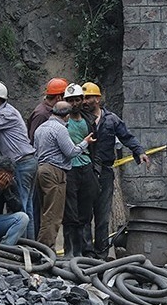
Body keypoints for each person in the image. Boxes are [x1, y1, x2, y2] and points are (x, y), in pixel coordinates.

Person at [81, 82, 148, 259]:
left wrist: (139, 151)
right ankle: (86, 253)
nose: (85, 101)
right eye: (84, 98)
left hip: (104, 171)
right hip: (85, 172)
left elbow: (127, 136)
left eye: (89, 97)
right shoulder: (79, 119)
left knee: (102, 215)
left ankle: (101, 253)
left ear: (98, 98)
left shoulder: (111, 120)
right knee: (85, 214)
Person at [0, 80, 38, 239]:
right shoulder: (5, 112)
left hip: (22, 163)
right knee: (26, 207)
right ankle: (29, 245)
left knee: (20, 207)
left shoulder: (7, 113)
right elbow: (12, 139)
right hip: (24, 160)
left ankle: (23, 246)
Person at [33, 101, 95, 250]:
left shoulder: (41, 128)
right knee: (53, 215)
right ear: (66, 116)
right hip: (55, 172)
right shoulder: (60, 129)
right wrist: (85, 143)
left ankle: (43, 248)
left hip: (41, 169)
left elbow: (35, 151)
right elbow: (71, 152)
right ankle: (45, 250)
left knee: (45, 211)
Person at [61, 84, 99, 257]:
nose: (74, 103)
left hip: (86, 167)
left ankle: (87, 250)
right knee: (70, 212)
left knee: (86, 211)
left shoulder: (89, 120)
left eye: (77, 99)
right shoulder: (60, 121)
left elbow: (96, 146)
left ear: (82, 100)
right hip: (68, 169)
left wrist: (95, 169)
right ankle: (71, 251)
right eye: (70, 100)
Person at [27, 78, 69, 144]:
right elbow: (33, 140)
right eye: (66, 98)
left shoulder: (51, 111)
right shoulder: (41, 114)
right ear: (58, 98)